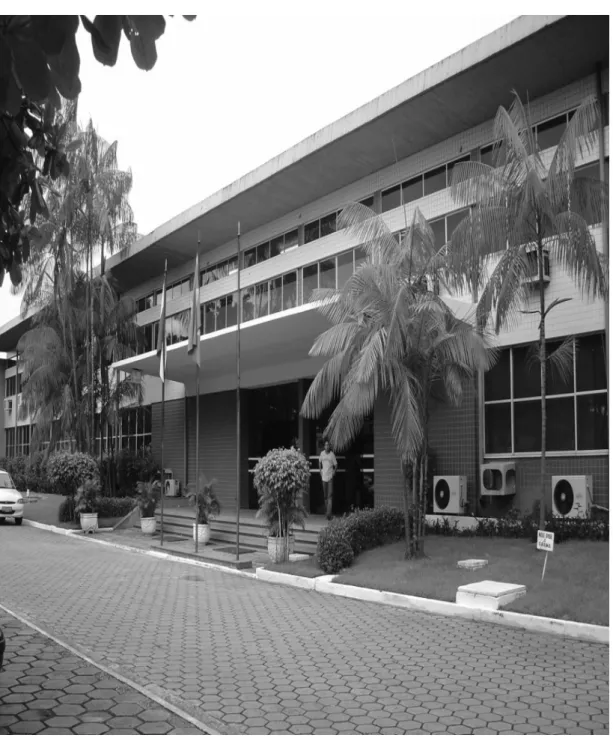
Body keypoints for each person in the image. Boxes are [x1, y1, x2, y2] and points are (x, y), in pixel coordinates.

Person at [319, 440, 337, 520]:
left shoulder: (332, 454)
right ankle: (327, 512)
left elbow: (336, 465)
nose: (327, 446)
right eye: (326, 445)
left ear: (330, 446)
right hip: (324, 477)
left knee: (330, 496)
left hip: (330, 478)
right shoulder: (322, 453)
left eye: (328, 445)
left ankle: (328, 514)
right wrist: (320, 471)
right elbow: (319, 462)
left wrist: (333, 473)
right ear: (324, 446)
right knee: (325, 496)